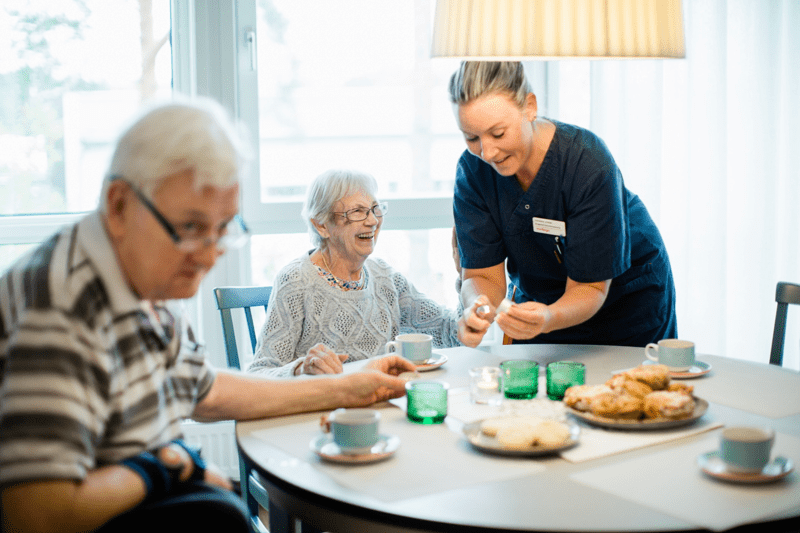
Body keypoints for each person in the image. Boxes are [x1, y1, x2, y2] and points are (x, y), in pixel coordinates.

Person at [0, 98, 416, 533]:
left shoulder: (139, 278)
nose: (210, 254)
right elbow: (37, 513)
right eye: (191, 229)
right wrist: (168, 465)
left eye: (223, 229)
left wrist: (344, 387)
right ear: (120, 204)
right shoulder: (59, 304)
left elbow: (206, 392)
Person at [450, 61, 677, 348]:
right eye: (471, 137)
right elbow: (483, 275)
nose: (487, 152)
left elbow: (590, 287)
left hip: (625, 302)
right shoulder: (473, 172)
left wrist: (549, 317)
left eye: (498, 133)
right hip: (542, 305)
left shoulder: (587, 162)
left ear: (529, 107)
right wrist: (477, 307)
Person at [248, 169, 483, 377]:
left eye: (375, 209)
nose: (372, 221)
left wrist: (465, 276)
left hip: (378, 405)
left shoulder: (386, 278)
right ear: (321, 225)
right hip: (322, 411)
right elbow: (260, 373)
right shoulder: (296, 281)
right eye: (358, 211)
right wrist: (301, 368)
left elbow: (453, 334)